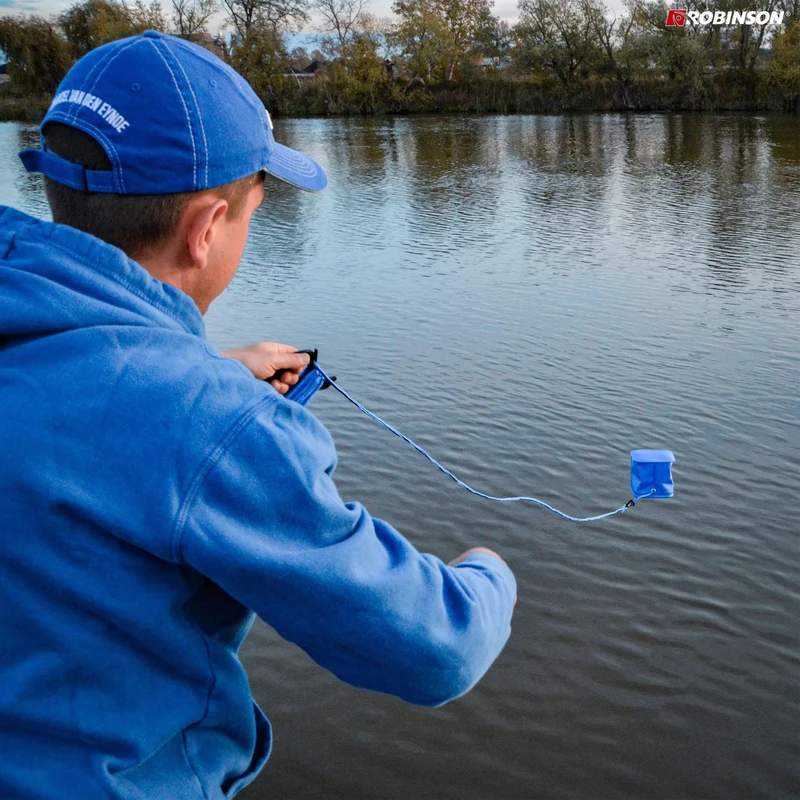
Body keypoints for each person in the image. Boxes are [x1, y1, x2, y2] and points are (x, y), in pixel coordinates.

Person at [0, 31, 517, 799]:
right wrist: (492, 574)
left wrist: (205, 372)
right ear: (205, 230)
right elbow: (437, 650)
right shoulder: (210, 423)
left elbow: (83, 402)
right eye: (253, 215)